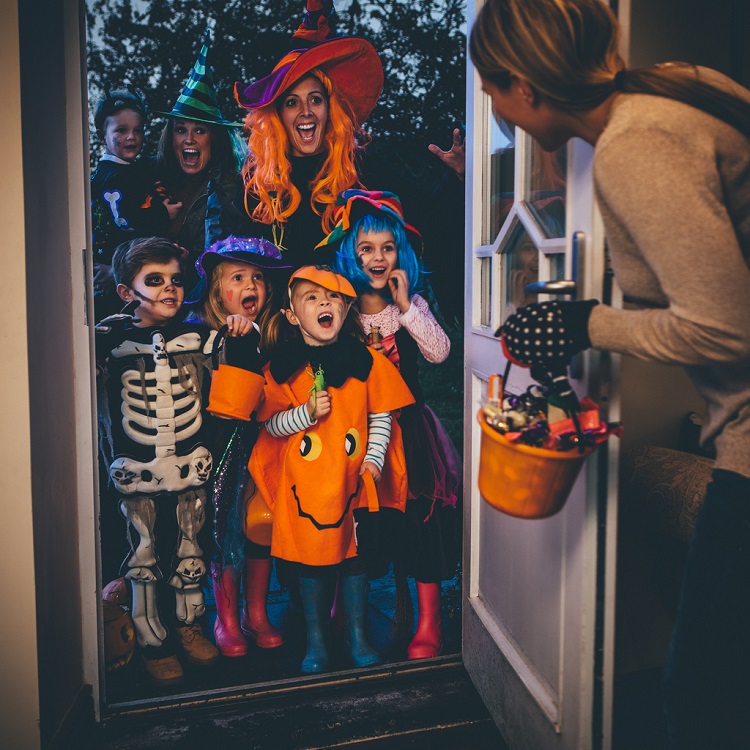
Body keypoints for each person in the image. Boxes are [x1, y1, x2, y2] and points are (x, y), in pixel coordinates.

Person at [471, 0, 750, 747]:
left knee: (698, 697)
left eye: (492, 91)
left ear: (524, 85)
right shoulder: (676, 85)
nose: (496, 109)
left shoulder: (634, 148)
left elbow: (727, 324)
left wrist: (586, 322)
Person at [209, 265, 414, 673]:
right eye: (312, 298)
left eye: (334, 297)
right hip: (305, 486)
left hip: (353, 481)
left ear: (346, 309)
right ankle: (317, 642)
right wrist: (304, 414)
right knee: (312, 562)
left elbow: (381, 415)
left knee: (354, 560)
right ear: (290, 315)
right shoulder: (283, 368)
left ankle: (357, 636)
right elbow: (269, 424)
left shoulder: (367, 361)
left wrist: (373, 459)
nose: (325, 303)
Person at [234, 0, 466, 321]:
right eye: (292, 102)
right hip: (285, 336)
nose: (305, 112)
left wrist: (457, 179)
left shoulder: (364, 166)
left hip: (360, 334)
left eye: (315, 99)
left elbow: (427, 216)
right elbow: (242, 265)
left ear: (330, 109)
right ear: (277, 116)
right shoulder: (259, 186)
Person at [96, 236, 246, 685]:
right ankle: (150, 639)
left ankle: (189, 626)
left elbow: (245, 371)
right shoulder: (109, 338)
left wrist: (242, 330)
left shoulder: (202, 336)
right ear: (127, 292)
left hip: (189, 465)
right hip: (136, 468)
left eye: (177, 281)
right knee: (142, 554)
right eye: (154, 280)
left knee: (190, 550)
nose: (169, 289)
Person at [326, 190, 461, 659]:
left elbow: (440, 352)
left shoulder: (410, 306)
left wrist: (406, 307)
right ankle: (348, 610)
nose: (378, 257)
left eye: (387, 247)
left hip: (409, 433)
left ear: (400, 254)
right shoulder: (339, 311)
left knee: (421, 520)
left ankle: (428, 621)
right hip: (356, 433)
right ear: (349, 253)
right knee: (356, 521)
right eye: (366, 248)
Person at [192, 235, 291, 657]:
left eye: (258, 278)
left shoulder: (275, 334)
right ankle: (226, 617)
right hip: (220, 451)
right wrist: (234, 341)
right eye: (238, 277)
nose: (251, 285)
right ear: (217, 291)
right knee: (222, 527)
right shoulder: (202, 336)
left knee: (260, 524)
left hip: (265, 447)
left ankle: (257, 612)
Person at [155, 29, 249, 293]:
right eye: (181, 129)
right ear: (169, 135)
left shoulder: (230, 189)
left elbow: (233, 257)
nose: (189, 140)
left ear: (214, 138)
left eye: (199, 130)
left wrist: (193, 263)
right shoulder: (150, 177)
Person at [90, 84, 179, 320]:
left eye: (138, 130)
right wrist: (163, 215)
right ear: (102, 136)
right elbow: (124, 221)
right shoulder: (113, 177)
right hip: (113, 271)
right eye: (121, 130)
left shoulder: (131, 170)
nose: (131, 137)